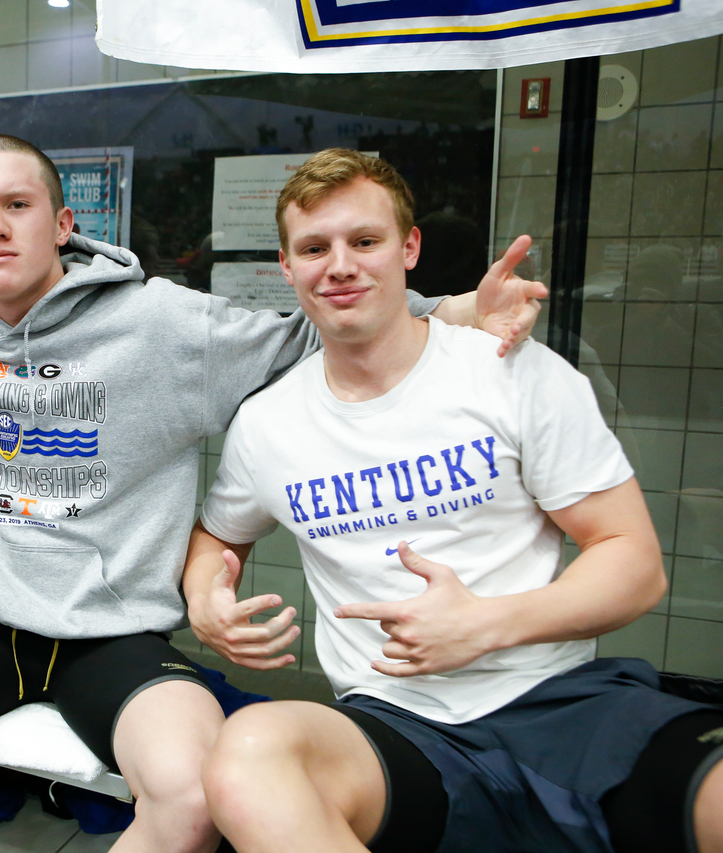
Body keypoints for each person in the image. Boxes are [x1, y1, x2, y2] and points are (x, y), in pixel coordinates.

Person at [0, 134, 545, 853]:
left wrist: (463, 308)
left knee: (196, 798)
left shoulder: (164, 324)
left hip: (114, 633)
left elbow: (313, 329)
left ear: (64, 223)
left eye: (19, 206)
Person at [188, 148, 723, 853]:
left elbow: (634, 562)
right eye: (314, 247)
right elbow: (219, 537)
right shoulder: (268, 424)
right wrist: (206, 601)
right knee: (250, 752)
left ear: (408, 249)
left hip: (560, 700)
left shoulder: (511, 371)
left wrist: (485, 624)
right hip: (394, 724)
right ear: (287, 268)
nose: (340, 264)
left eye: (365, 240)